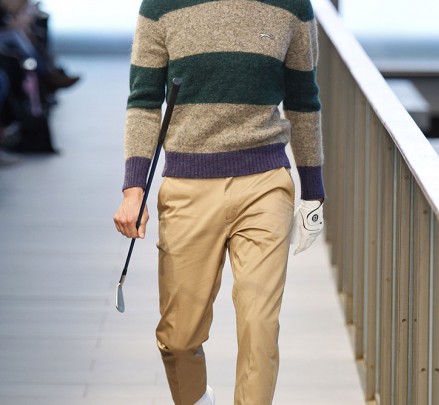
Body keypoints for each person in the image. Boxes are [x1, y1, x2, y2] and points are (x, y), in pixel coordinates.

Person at [114, 0, 325, 404]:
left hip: (264, 182)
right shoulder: (160, 6)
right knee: (178, 338)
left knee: (260, 326)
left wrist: (313, 190)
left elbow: (303, 100)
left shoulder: (292, 6)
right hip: (187, 185)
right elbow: (143, 100)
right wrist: (133, 188)